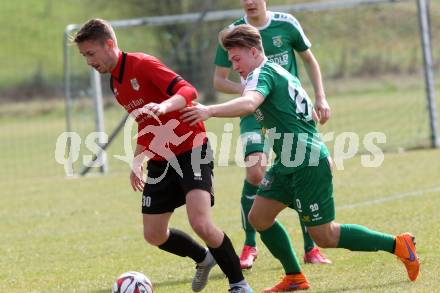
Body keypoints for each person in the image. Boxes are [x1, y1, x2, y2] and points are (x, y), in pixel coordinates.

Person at [181, 24, 420, 292]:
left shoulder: (263, 74)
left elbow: (249, 104)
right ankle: (294, 277)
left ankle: (399, 245)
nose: (234, 67)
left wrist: (209, 111)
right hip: (288, 160)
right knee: (258, 217)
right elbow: (304, 118)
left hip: (305, 160)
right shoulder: (280, 72)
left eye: (236, 59)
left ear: (253, 51)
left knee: (325, 235)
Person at [74, 18, 253, 293]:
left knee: (201, 222)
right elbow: (145, 123)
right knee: (154, 234)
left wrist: (166, 104)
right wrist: (137, 159)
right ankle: (203, 259)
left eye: (90, 53)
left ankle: (239, 284)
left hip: (191, 148)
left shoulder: (142, 64)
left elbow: (187, 91)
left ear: (109, 44)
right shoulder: (115, 83)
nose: (88, 61)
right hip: (160, 160)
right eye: (84, 56)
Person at [213, 0, 331, 269]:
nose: (249, 2)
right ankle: (250, 244)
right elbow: (218, 80)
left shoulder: (286, 24)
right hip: (253, 110)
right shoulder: (233, 33)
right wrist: (251, 92)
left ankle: (310, 248)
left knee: (300, 166)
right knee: (255, 173)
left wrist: (320, 98)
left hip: (286, 110)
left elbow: (309, 60)